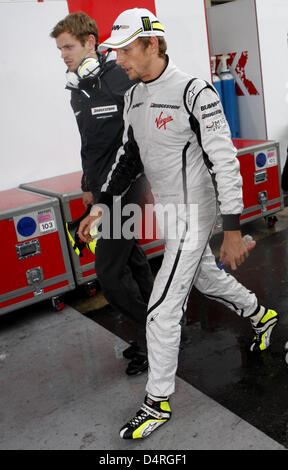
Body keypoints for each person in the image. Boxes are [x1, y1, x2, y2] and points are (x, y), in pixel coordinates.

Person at [78, 8, 279, 439]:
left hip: (196, 214)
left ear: (153, 44)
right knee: (204, 278)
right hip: (171, 212)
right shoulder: (133, 96)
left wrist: (230, 230)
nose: (118, 60)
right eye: (114, 51)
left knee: (162, 307)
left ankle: (157, 401)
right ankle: (260, 315)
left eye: (126, 50)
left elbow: (224, 162)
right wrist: (101, 206)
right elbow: (128, 158)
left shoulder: (193, 91)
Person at [50, 12, 155, 375]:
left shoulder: (120, 79)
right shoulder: (78, 90)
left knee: (109, 272)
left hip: (129, 185)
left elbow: (137, 136)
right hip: (102, 188)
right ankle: (161, 331)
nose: (63, 54)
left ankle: (155, 339)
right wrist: (88, 187)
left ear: (91, 42)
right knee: (132, 259)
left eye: (69, 46)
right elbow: (89, 145)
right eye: (60, 48)